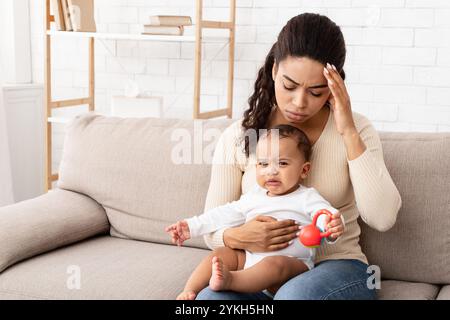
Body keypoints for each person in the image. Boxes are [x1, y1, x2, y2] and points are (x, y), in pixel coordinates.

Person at [196, 13, 402, 300]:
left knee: (294, 296)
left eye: (316, 92)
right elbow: (210, 227)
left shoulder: (357, 129)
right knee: (209, 300)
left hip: (338, 267)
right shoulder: (239, 136)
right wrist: (236, 237)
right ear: (273, 70)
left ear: (333, 86)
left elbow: (383, 217)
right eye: (289, 86)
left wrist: (348, 132)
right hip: (258, 271)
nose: (299, 103)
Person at [166, 125, 344, 300]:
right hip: (251, 261)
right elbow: (223, 213)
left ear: (304, 170)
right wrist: (191, 226)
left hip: (291, 267)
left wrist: (332, 225)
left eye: (282, 163)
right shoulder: (254, 196)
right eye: (263, 164)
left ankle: (231, 280)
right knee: (222, 254)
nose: (271, 171)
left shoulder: (306, 197)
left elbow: (324, 214)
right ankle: (189, 291)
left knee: (274, 263)